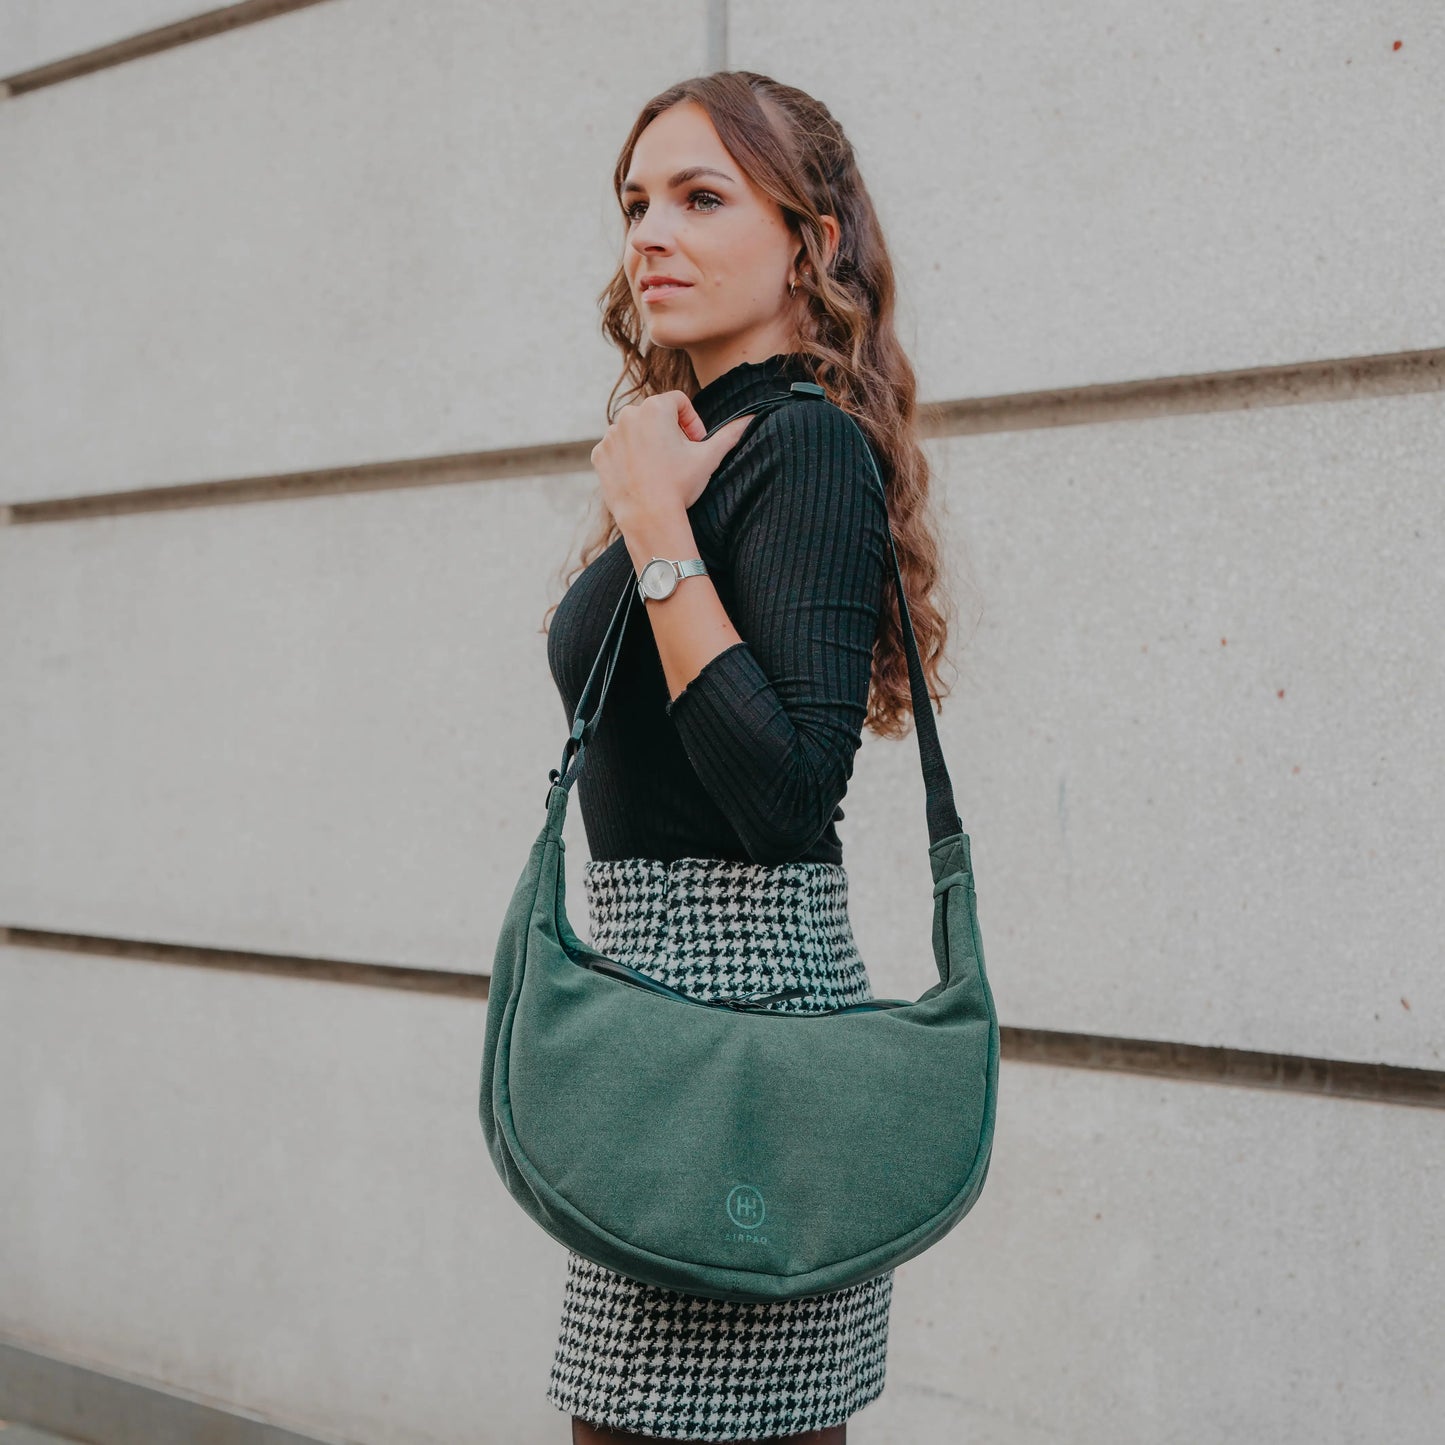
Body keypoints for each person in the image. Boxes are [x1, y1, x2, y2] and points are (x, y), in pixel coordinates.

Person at [541, 69, 958, 1445]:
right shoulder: (698, 446)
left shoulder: (807, 451)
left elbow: (781, 797)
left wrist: (653, 523)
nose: (650, 233)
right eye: (635, 203)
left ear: (808, 244)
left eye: (700, 197)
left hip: (747, 1044)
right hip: (663, 1022)